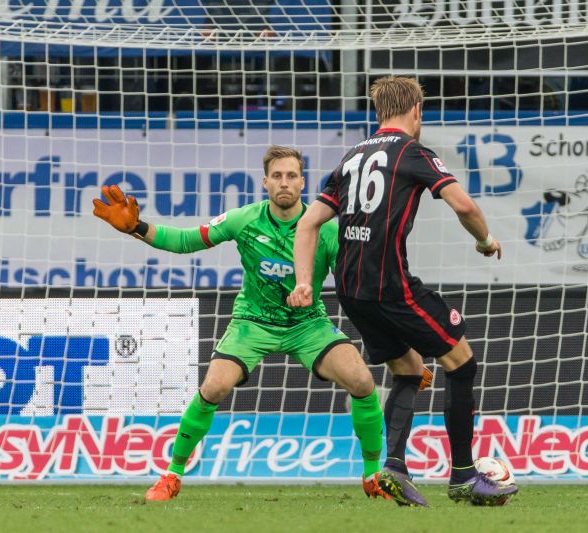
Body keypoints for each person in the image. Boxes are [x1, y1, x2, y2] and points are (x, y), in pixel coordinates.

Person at [93, 145, 388, 502]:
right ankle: (172, 475)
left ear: (302, 182)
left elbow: (358, 286)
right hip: (253, 322)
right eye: (277, 176)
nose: (284, 183)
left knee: (361, 380)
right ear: (265, 182)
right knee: (214, 387)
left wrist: (399, 349)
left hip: (307, 324)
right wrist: (136, 227)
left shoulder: (326, 230)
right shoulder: (244, 219)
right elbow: (186, 240)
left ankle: (373, 475)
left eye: (291, 176)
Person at [288, 76, 517, 506]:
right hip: (390, 287)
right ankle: (465, 476)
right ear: (415, 112)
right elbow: (464, 205)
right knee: (461, 362)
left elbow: (307, 223)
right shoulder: (412, 151)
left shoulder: (352, 156)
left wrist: (304, 281)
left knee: (410, 370)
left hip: (351, 290)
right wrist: (485, 241)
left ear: (379, 113)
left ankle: (393, 466)